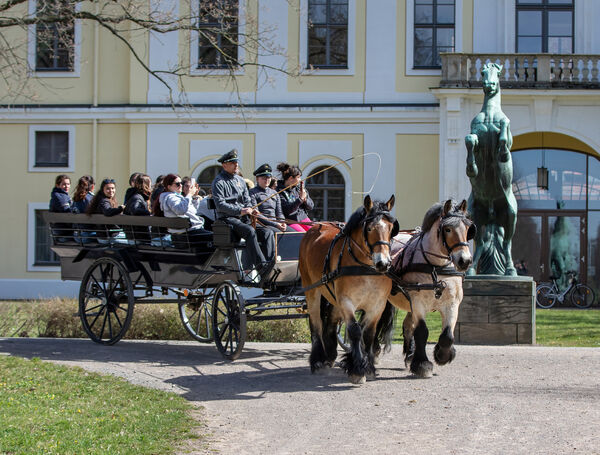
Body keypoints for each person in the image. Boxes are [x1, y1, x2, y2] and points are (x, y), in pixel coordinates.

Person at [211, 149, 274, 274]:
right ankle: (261, 267)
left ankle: (270, 264)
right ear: (224, 165)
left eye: (236, 162)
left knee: (268, 232)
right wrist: (241, 210)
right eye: (232, 162)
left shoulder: (240, 181)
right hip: (228, 219)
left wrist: (252, 210)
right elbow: (220, 205)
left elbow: (247, 200)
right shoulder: (218, 182)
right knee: (250, 231)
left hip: (244, 218)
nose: (236, 165)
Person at [157, 173, 211, 246]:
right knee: (219, 238)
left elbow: (193, 211)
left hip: (186, 233)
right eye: (177, 184)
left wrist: (194, 197)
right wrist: (189, 195)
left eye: (181, 183)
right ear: (169, 186)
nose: (181, 186)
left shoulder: (176, 197)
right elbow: (180, 210)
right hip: (188, 234)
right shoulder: (171, 197)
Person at [249, 163, 291, 233]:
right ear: (257, 179)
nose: (267, 180)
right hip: (263, 224)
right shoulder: (252, 192)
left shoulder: (274, 193)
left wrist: (282, 222)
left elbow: (279, 212)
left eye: (268, 178)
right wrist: (276, 224)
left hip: (276, 223)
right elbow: (257, 214)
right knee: (277, 233)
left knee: (295, 234)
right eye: (263, 178)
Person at [277, 163, 314, 232]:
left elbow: (311, 206)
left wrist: (305, 199)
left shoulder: (299, 188)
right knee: (303, 236)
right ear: (291, 178)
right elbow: (287, 210)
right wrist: (300, 200)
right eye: (298, 177)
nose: (300, 180)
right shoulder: (279, 191)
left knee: (315, 234)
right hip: (290, 220)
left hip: (303, 217)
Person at [124, 174, 152, 242]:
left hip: (136, 235)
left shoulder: (138, 196)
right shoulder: (138, 197)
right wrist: (148, 213)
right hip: (138, 236)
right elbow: (135, 209)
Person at [72, 175, 95, 243]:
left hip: (76, 236)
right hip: (88, 235)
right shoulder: (92, 199)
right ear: (92, 186)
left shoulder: (76, 198)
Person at [49, 174, 73, 240]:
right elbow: (67, 212)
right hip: (62, 231)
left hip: (63, 230)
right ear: (57, 185)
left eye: (68, 184)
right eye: (64, 184)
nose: (66, 186)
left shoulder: (64, 195)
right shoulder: (59, 196)